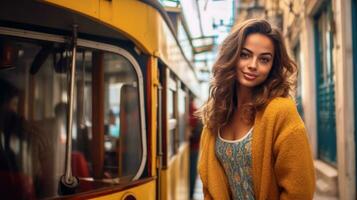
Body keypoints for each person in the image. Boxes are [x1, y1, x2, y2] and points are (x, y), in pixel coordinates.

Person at [197, 19, 315, 200]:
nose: (253, 65)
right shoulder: (217, 114)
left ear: (272, 66)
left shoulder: (281, 112)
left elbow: (300, 191)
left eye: (264, 59)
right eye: (245, 55)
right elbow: (209, 183)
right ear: (232, 56)